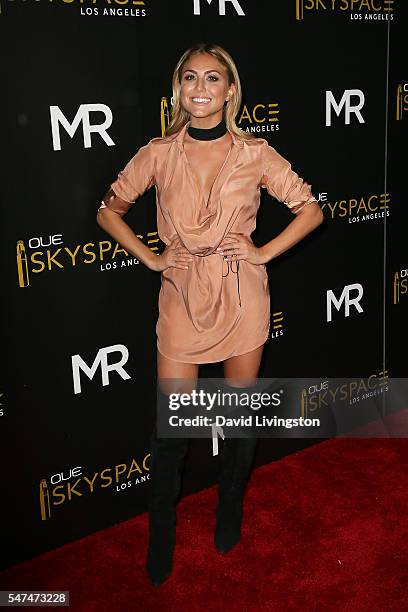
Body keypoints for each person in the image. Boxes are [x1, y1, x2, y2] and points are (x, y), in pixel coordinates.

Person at [96, 42, 324, 587]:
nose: (201, 89)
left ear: (230, 89)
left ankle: (229, 508)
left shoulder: (256, 154)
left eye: (213, 79)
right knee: (172, 428)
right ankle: (162, 532)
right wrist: (152, 257)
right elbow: (108, 212)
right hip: (180, 294)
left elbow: (311, 210)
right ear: (179, 89)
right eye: (191, 78)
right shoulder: (156, 152)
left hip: (243, 295)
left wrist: (264, 253)